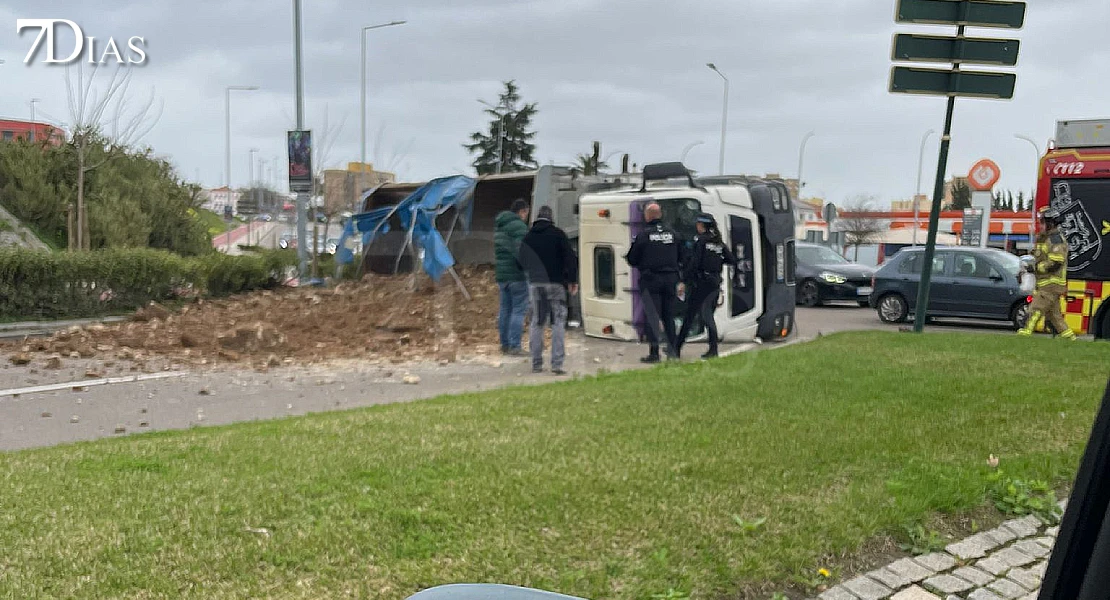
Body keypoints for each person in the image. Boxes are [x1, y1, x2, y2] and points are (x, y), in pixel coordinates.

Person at [518, 206, 578, 375]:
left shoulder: (528, 237)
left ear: (536, 218)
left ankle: (536, 363)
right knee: (557, 322)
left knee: (537, 322)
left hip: (536, 285)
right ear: (551, 218)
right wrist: (572, 280)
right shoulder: (558, 234)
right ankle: (557, 364)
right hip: (556, 284)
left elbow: (520, 263)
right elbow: (571, 258)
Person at [625, 202, 685, 362]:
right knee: (668, 315)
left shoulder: (644, 235)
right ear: (660, 214)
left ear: (648, 216)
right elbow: (683, 256)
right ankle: (673, 352)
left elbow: (632, 258)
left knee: (652, 315)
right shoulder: (673, 234)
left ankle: (654, 353)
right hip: (670, 279)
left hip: (651, 280)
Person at [676, 213, 737, 359]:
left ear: (701, 225)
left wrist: (684, 279)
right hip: (714, 282)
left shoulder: (701, 241)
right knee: (708, 315)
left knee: (691, 316)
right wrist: (716, 261)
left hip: (701, 283)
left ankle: (676, 347)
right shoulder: (718, 242)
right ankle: (712, 348)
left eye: (698, 223)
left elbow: (695, 263)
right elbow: (731, 259)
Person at [1018, 205, 1076, 340]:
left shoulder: (1056, 240)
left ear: (1051, 223)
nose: (1041, 225)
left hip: (1051, 284)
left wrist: (1036, 268)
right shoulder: (1043, 238)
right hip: (1044, 283)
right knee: (1055, 316)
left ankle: (1025, 333)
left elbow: (1056, 263)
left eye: (1043, 222)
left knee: (1036, 308)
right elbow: (1036, 256)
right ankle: (1070, 339)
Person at [494, 199, 531, 355]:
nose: (526, 217)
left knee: (505, 310)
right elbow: (521, 251)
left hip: (502, 275)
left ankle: (505, 344)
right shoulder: (519, 227)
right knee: (518, 311)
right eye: (526, 213)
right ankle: (515, 346)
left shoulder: (499, 226)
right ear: (522, 211)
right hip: (516, 275)